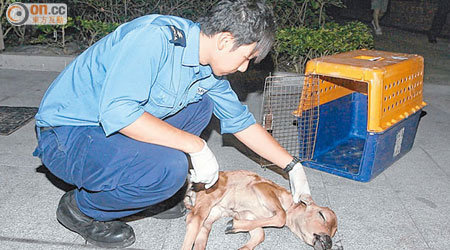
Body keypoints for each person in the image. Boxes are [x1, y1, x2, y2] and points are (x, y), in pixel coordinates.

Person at [33, 0, 311, 248]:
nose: (243, 68)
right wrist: (196, 146)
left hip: (106, 131)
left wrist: (292, 166)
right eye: (246, 58)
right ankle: (82, 209)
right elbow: (119, 113)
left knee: (201, 106)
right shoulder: (154, 40)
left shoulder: (207, 67)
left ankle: (150, 188)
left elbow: (241, 123)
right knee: (169, 169)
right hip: (67, 136)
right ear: (225, 41)